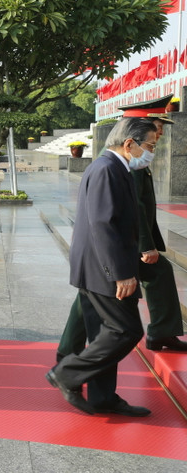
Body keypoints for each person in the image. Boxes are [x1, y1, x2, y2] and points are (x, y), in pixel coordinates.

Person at [47, 118, 158, 416]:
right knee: (126, 330)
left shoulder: (113, 168)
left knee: (102, 333)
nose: (151, 152)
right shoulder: (108, 169)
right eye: (149, 146)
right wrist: (120, 273)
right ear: (129, 144)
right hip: (103, 269)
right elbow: (103, 224)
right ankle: (66, 374)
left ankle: (102, 397)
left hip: (98, 266)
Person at [56, 106, 187, 359]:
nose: (158, 135)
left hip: (120, 246)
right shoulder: (120, 164)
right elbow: (120, 214)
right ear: (132, 138)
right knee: (116, 319)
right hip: (124, 246)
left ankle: (67, 356)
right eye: (155, 129)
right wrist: (145, 246)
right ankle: (69, 367)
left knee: (88, 298)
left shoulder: (125, 160)